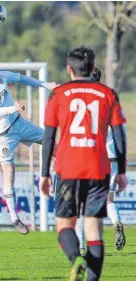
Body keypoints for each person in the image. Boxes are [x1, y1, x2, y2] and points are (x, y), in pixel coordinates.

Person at [39, 46, 127, 281]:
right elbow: (120, 135)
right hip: (99, 169)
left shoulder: (58, 95)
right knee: (94, 231)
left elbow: (48, 137)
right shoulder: (108, 94)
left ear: (69, 69)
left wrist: (45, 173)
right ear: (92, 68)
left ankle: (76, 259)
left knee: (64, 226)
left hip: (68, 169)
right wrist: (122, 171)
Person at [0, 51, 57, 234]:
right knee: (9, 171)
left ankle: (57, 176)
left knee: (54, 144)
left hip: (20, 124)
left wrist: (46, 85)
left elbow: (22, 78)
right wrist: (13, 108)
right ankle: (15, 217)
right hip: (3, 134)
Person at [75, 67, 127, 255]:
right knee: (109, 199)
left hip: (90, 156)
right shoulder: (109, 99)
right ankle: (116, 222)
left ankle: (81, 245)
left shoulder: (81, 101)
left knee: (81, 203)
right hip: (111, 156)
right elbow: (121, 131)